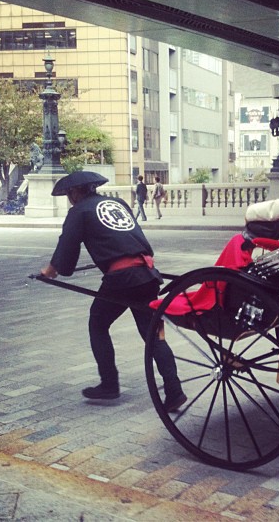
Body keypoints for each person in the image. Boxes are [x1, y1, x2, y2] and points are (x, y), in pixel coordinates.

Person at [40, 171, 186, 411]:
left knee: (97, 324)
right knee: (152, 334)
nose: (69, 198)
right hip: (147, 273)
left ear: (76, 192)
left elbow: (66, 249)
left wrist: (51, 270)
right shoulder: (116, 203)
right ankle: (174, 390)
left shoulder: (79, 211)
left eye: (69, 194)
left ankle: (109, 384)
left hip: (121, 279)